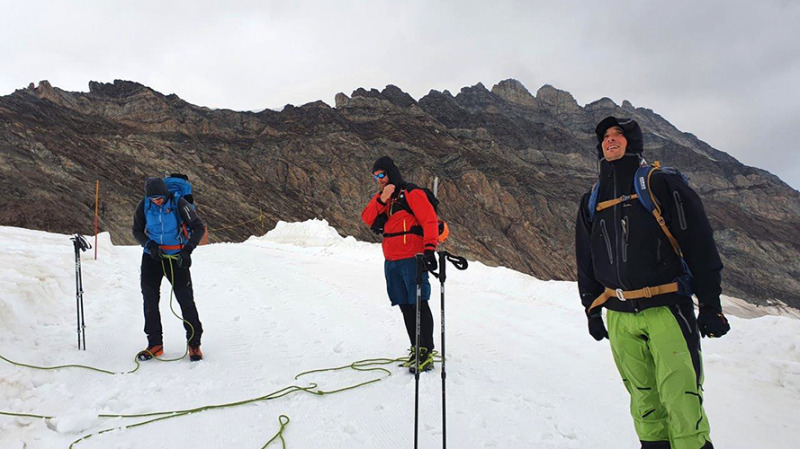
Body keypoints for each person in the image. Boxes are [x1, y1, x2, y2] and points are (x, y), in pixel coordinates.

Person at [575, 117, 731, 449]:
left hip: (666, 308)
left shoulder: (661, 183)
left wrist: (711, 306)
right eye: (605, 136)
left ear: (633, 142)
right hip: (619, 314)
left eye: (618, 135)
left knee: (682, 399)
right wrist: (591, 307)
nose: (610, 140)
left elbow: (700, 244)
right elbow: (586, 258)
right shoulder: (591, 197)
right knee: (643, 402)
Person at [361, 156, 440, 372]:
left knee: (418, 303)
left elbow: (429, 220)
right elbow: (367, 218)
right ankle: (416, 348)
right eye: (375, 176)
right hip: (392, 261)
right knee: (404, 305)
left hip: (413, 258)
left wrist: (430, 249)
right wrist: (381, 199)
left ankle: (426, 351)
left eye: (381, 175)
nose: (378, 180)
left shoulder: (411, 193)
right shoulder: (385, 199)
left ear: (391, 173)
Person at [132, 177, 206, 362]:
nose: (157, 201)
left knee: (185, 300)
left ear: (165, 194)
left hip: (177, 258)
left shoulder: (178, 203)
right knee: (149, 299)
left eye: (160, 198)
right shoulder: (144, 205)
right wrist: (150, 246)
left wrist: (188, 250)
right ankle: (154, 343)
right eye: (153, 198)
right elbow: (137, 230)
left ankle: (194, 343)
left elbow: (198, 228)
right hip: (152, 257)